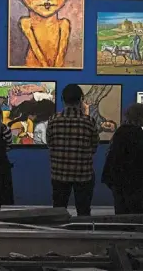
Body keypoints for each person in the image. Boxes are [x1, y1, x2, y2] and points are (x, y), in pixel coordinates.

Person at [46, 84, 99, 216]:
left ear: (63, 99)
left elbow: (49, 144)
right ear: (81, 99)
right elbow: (94, 146)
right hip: (83, 174)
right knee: (83, 210)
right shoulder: (89, 121)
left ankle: (58, 233)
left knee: (58, 209)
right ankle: (83, 233)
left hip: (59, 172)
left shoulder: (53, 120)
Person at [102, 103, 143, 214]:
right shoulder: (135, 132)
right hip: (131, 181)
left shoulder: (121, 130)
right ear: (139, 117)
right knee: (136, 213)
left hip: (118, 180)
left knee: (122, 212)